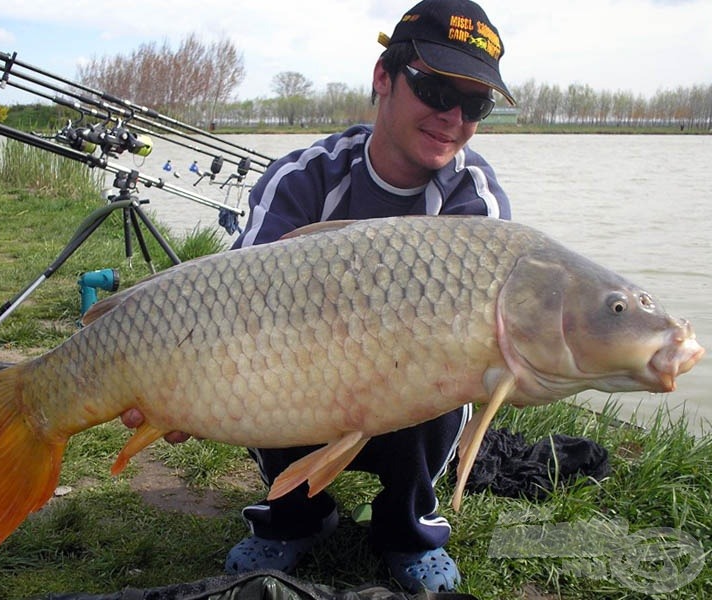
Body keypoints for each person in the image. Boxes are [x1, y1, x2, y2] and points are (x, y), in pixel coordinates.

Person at [122, 0, 514, 592]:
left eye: (476, 103)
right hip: (299, 382)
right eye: (435, 89)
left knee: (444, 372)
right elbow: (229, 310)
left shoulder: (473, 197)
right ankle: (295, 517)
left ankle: (408, 528)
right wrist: (181, 388)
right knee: (264, 361)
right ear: (383, 78)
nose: (453, 117)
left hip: (409, 392)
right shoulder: (304, 177)